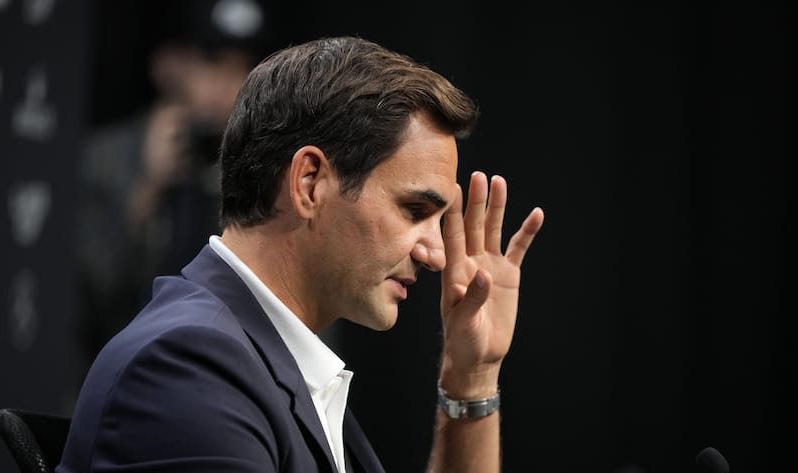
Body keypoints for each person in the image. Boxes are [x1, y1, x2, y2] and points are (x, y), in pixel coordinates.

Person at [58, 35, 545, 473]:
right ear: (309, 183)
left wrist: (471, 378)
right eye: (414, 208)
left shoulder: (266, 360)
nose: (437, 255)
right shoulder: (186, 368)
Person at [74, 0, 278, 385]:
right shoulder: (107, 159)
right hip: (110, 378)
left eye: (243, 68)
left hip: (215, 380)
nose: (227, 83)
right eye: (213, 61)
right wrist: (148, 187)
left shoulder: (263, 170)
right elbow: (85, 301)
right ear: (169, 65)